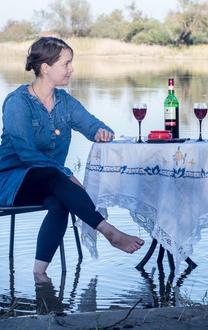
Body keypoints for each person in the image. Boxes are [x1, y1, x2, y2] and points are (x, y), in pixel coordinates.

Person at [0, 37, 144, 281]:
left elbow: (92, 125)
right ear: (45, 68)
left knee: (59, 201)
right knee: (55, 177)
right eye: (66, 64)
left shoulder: (65, 102)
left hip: (49, 180)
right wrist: (66, 174)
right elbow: (26, 154)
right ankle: (110, 232)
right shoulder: (17, 103)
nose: (71, 69)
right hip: (9, 182)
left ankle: (40, 275)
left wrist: (101, 132)